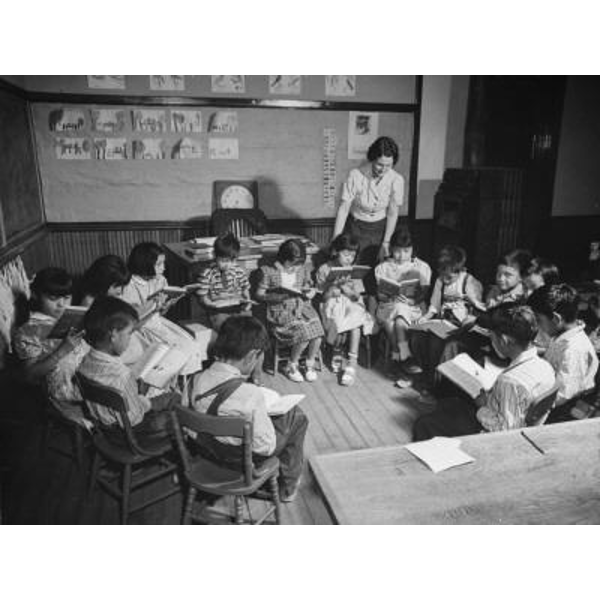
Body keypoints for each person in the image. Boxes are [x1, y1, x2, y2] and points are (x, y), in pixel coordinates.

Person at [191, 316, 308, 502]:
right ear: (252, 355)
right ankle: (288, 488)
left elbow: (189, 427)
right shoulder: (250, 394)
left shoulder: (194, 380)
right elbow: (266, 447)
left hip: (208, 451)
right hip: (240, 460)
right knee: (297, 417)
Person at [413, 305, 556, 440]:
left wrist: (481, 406)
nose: (491, 341)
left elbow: (505, 432)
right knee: (451, 403)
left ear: (504, 340)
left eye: (492, 337)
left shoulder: (509, 381)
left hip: (489, 434)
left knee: (423, 424)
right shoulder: (546, 367)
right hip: (516, 419)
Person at [78, 296, 180, 443]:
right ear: (113, 335)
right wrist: (145, 401)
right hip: (129, 435)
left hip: (104, 428)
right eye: (129, 333)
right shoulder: (122, 375)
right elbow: (134, 418)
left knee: (153, 392)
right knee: (174, 400)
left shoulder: (85, 361)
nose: (130, 338)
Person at [12, 267, 89, 425]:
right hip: (64, 392)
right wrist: (62, 351)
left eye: (66, 298)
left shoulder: (70, 318)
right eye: (53, 298)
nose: (61, 304)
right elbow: (29, 375)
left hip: (86, 377)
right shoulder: (29, 330)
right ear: (36, 295)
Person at [121, 241, 210, 376]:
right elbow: (132, 318)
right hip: (139, 327)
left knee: (189, 344)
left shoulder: (160, 280)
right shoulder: (129, 284)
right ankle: (170, 381)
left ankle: (186, 380)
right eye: (159, 264)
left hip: (157, 321)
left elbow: (162, 313)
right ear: (145, 264)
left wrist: (166, 304)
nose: (163, 268)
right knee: (171, 351)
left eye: (163, 263)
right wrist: (153, 305)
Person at [411, 245, 483, 384]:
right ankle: (425, 372)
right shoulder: (440, 281)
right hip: (443, 321)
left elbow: (476, 307)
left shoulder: (468, 281)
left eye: (449, 277)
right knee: (417, 336)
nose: (445, 280)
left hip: (462, 325)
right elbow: (434, 306)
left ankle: (434, 380)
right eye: (442, 274)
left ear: (461, 270)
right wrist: (424, 319)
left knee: (435, 341)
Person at [256, 239, 323, 383]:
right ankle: (291, 365)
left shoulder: (302, 270)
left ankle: (309, 363)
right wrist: (275, 296)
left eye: (299, 264)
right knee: (304, 335)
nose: (295, 268)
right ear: (283, 259)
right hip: (281, 312)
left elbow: (309, 287)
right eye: (292, 264)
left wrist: (310, 292)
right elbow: (259, 294)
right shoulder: (269, 271)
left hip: (302, 308)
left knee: (318, 333)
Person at [528, 284, 598, 422]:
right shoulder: (562, 334)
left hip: (563, 412)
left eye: (539, 320)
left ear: (556, 319)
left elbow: (563, 393)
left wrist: (529, 399)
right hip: (549, 394)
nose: (537, 325)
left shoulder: (574, 349)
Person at [332, 136, 405, 266]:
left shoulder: (397, 180)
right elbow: (344, 209)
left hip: (380, 229)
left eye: (388, 165)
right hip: (356, 227)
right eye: (379, 164)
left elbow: (393, 213)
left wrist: (386, 242)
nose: (383, 169)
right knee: (354, 265)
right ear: (372, 159)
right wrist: (336, 239)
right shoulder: (355, 175)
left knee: (377, 267)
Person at [373, 226, 431, 385]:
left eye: (406, 251)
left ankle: (397, 356)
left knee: (394, 323)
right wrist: (390, 295)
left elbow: (424, 293)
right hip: (388, 306)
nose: (401, 256)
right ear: (391, 249)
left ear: (413, 250)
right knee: (397, 313)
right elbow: (380, 296)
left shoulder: (421, 267)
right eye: (397, 251)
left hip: (413, 307)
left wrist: (413, 301)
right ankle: (405, 358)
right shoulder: (383, 267)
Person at [315, 233, 375, 386]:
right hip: (331, 303)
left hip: (350, 303)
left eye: (353, 255)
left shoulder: (354, 270)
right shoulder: (324, 269)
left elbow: (357, 296)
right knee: (337, 316)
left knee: (355, 317)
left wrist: (347, 290)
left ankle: (352, 362)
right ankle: (337, 351)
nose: (350, 259)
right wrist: (333, 288)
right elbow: (322, 297)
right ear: (336, 251)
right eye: (346, 254)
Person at [197, 233, 253, 331]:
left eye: (231, 261)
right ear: (215, 255)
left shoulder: (239, 271)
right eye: (223, 261)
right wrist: (210, 304)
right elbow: (203, 296)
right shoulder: (207, 273)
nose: (228, 265)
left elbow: (245, 289)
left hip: (237, 307)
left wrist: (248, 302)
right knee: (225, 328)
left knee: (248, 326)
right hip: (218, 311)